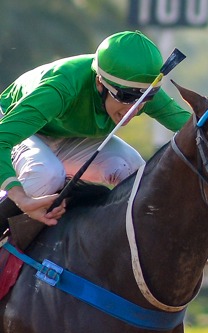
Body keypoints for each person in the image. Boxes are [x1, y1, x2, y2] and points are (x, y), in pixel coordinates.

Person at [0, 30, 191, 228]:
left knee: (134, 170)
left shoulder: (139, 91)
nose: (134, 109)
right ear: (100, 83)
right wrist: (22, 199)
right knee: (46, 174)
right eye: (126, 97)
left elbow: (197, 127)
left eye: (146, 98)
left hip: (65, 135)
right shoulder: (61, 88)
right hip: (14, 127)